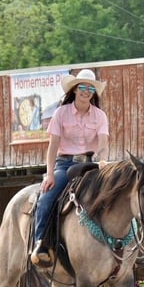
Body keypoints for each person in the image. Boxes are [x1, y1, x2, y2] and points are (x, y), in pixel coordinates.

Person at [30, 68, 110, 265]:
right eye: (82, 87)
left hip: (90, 165)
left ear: (94, 93)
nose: (86, 91)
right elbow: (53, 147)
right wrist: (50, 174)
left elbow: (104, 145)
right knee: (47, 196)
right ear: (74, 89)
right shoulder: (61, 113)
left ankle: (119, 244)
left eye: (90, 88)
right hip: (65, 164)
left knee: (114, 193)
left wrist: (103, 161)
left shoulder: (100, 116)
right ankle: (41, 243)